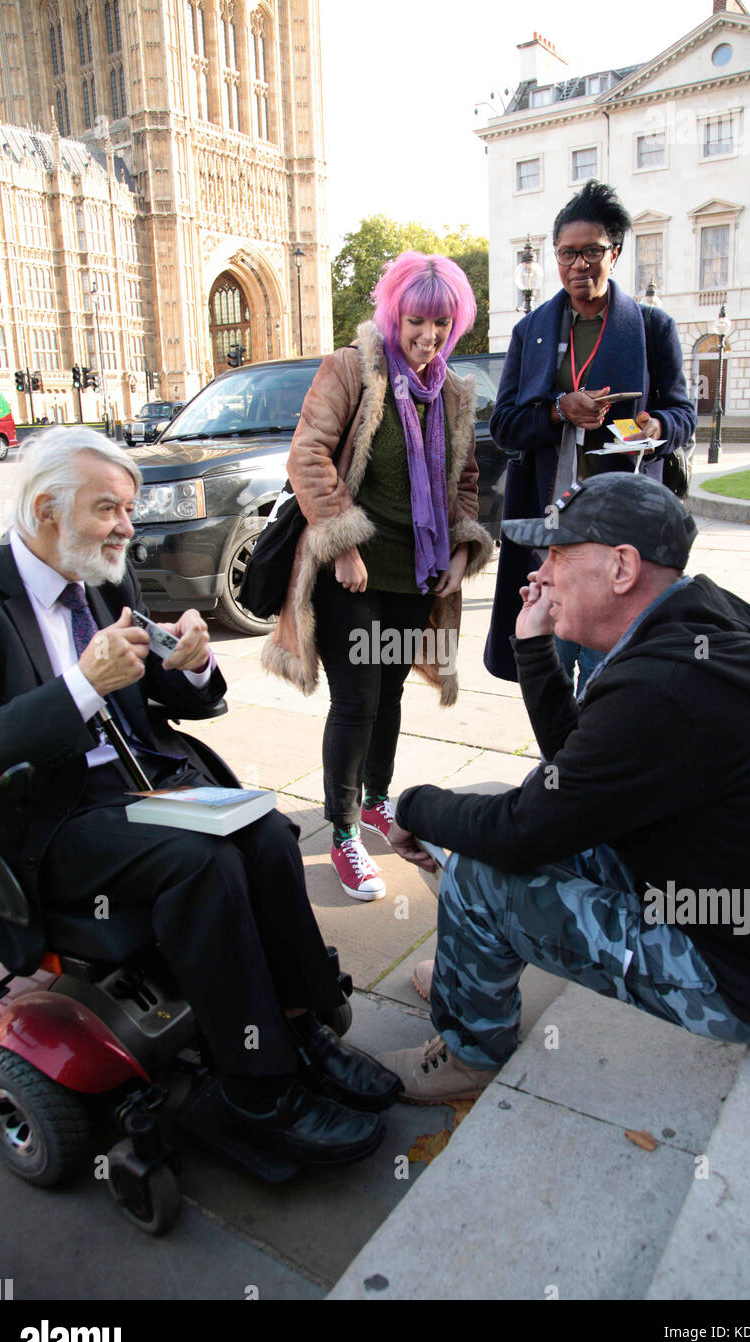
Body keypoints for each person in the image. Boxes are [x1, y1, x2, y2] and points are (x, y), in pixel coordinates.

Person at [0, 427, 402, 1165]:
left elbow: (168, 697)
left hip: (141, 785)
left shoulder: (104, 576)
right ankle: (256, 1089)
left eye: (128, 508)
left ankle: (302, 1030)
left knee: (265, 834)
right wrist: (81, 686)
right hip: (50, 818)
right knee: (201, 863)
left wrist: (193, 665)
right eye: (109, 509)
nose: (127, 528)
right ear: (46, 510)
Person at [379, 473, 750, 1102]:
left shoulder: (663, 690)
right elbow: (576, 778)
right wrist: (534, 643)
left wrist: (413, 805)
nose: (539, 574)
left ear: (622, 568)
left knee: (481, 874)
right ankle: (470, 975)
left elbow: (522, 831)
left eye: (560, 555)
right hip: (727, 908)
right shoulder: (687, 624)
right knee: (497, 834)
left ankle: (469, 1054)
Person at [262, 252, 494, 902]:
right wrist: (340, 541)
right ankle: (341, 831)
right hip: (354, 573)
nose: (427, 336)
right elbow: (307, 452)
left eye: (440, 325)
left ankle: (376, 800)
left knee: (389, 695)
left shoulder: (450, 392)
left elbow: (466, 482)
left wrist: (459, 550)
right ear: (395, 314)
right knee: (357, 699)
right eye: (417, 321)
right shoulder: (351, 369)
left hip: (413, 577)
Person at [485, 180, 695, 692]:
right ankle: (561, 771)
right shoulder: (530, 330)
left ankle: (598, 768)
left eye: (592, 252)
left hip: (620, 537)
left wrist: (658, 426)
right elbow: (504, 424)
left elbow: (683, 413)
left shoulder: (652, 328)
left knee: (610, 679)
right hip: (550, 534)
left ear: (614, 253)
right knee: (549, 672)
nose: (579, 265)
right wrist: (559, 410)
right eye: (568, 253)